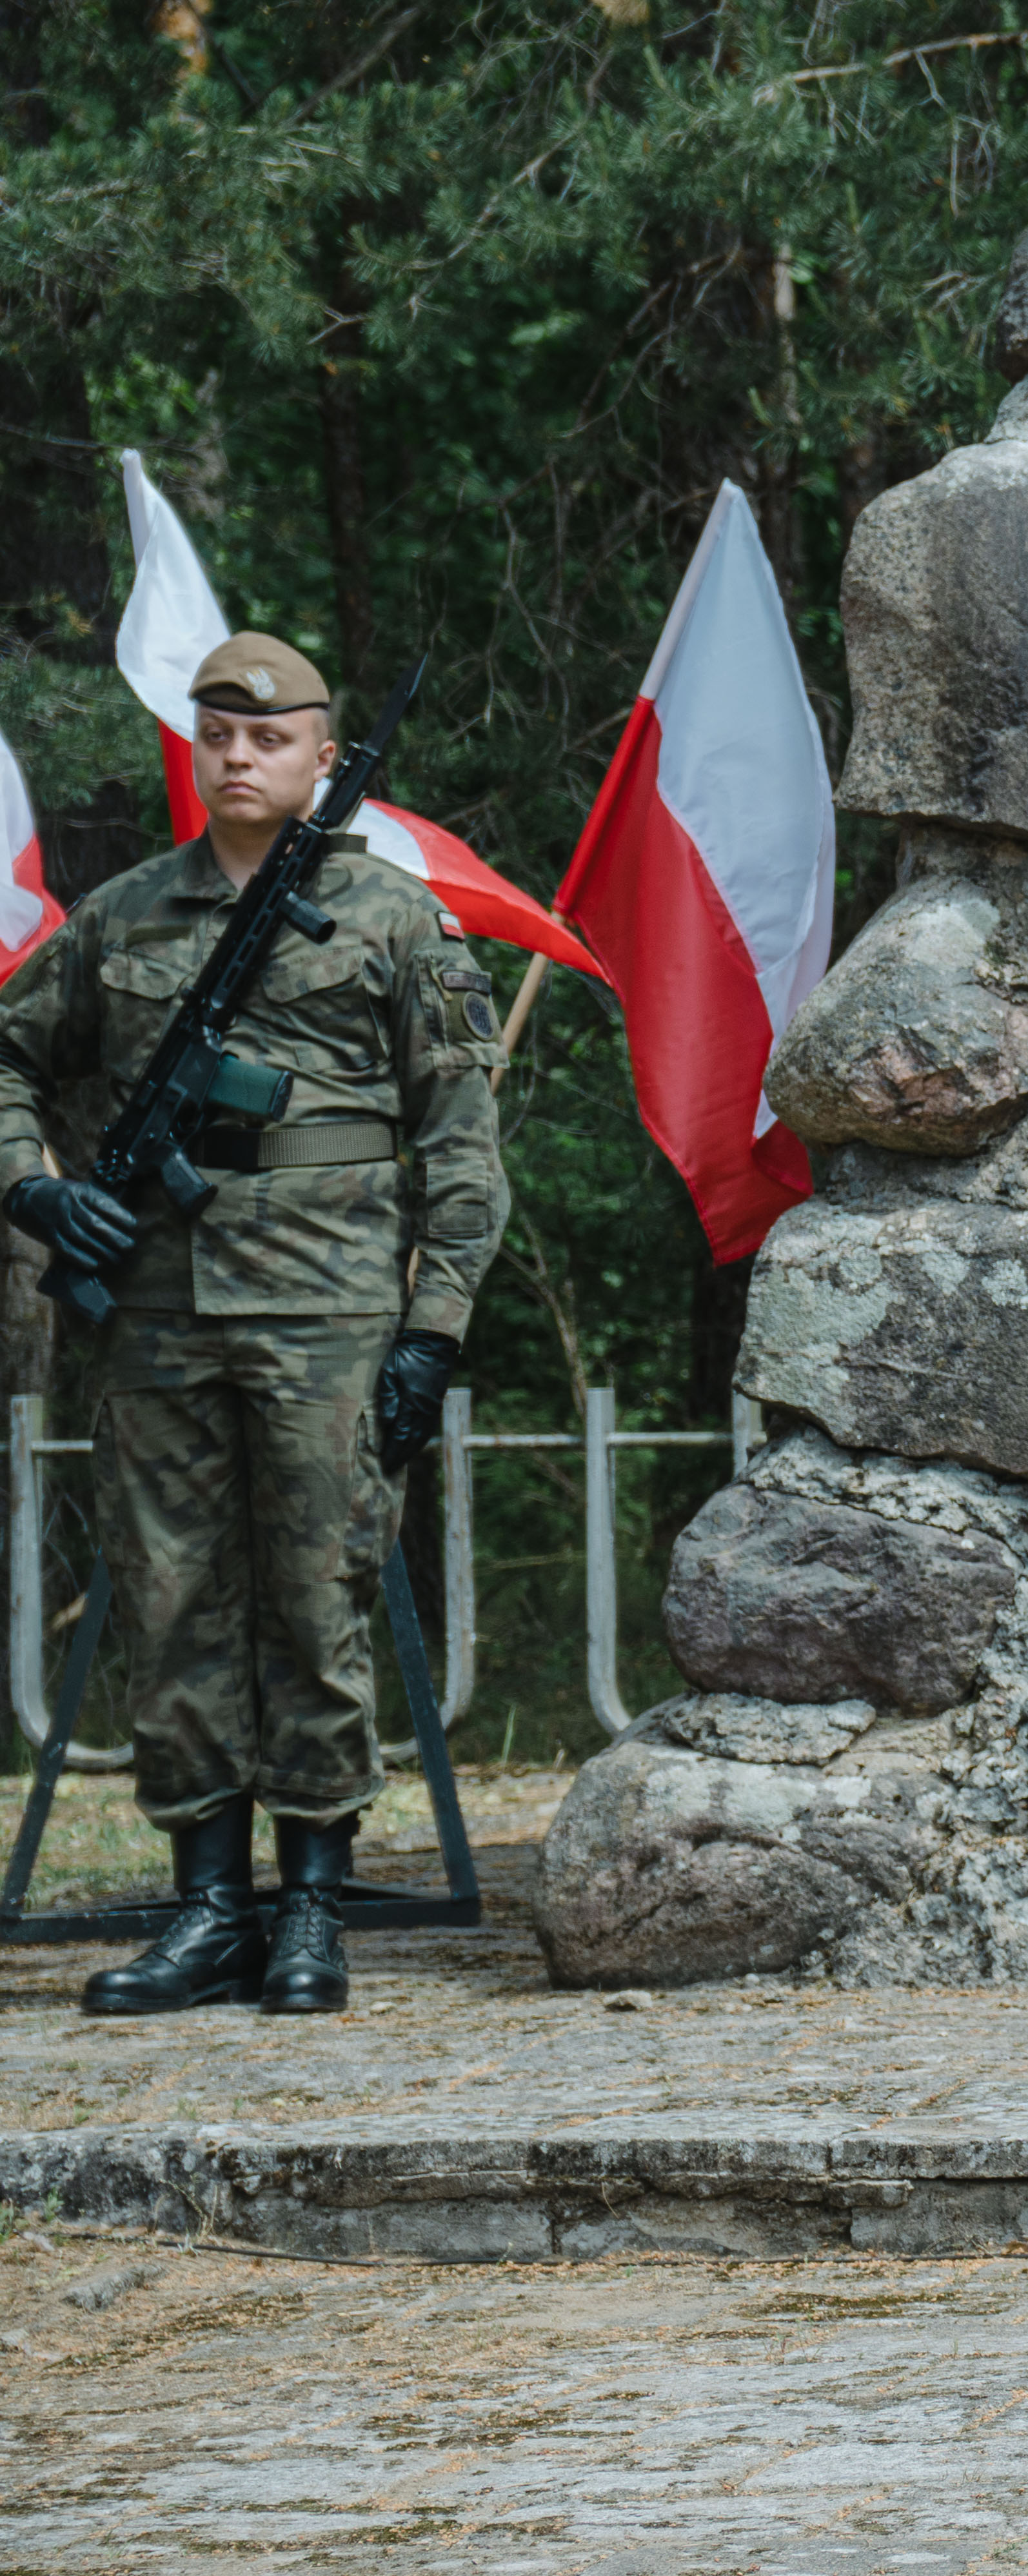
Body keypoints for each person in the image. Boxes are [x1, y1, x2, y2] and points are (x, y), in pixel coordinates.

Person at [0, 633, 508, 2018]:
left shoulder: (393, 919)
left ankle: (313, 1907)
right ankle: (211, 1907)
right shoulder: (123, 916)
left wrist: (433, 1328)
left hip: (329, 1311)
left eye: (270, 737)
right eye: (218, 732)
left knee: (317, 1591)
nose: (239, 754)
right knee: (171, 1599)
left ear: (322, 759)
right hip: (156, 1311)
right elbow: (9, 1056)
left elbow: (462, 1146)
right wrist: (35, 1187)